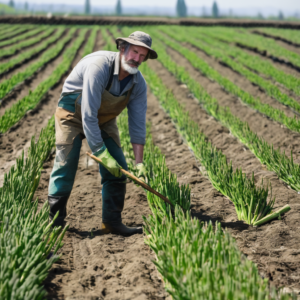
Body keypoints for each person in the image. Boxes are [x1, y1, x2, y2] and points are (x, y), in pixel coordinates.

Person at [48, 31, 158, 236]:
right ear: (123, 48)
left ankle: (112, 222)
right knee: (66, 163)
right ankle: (54, 223)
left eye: (143, 56)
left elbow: (137, 124)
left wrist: (139, 162)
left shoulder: (137, 84)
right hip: (72, 115)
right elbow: (88, 113)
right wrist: (100, 152)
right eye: (135, 52)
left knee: (118, 169)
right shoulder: (99, 66)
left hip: (103, 120)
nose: (137, 59)